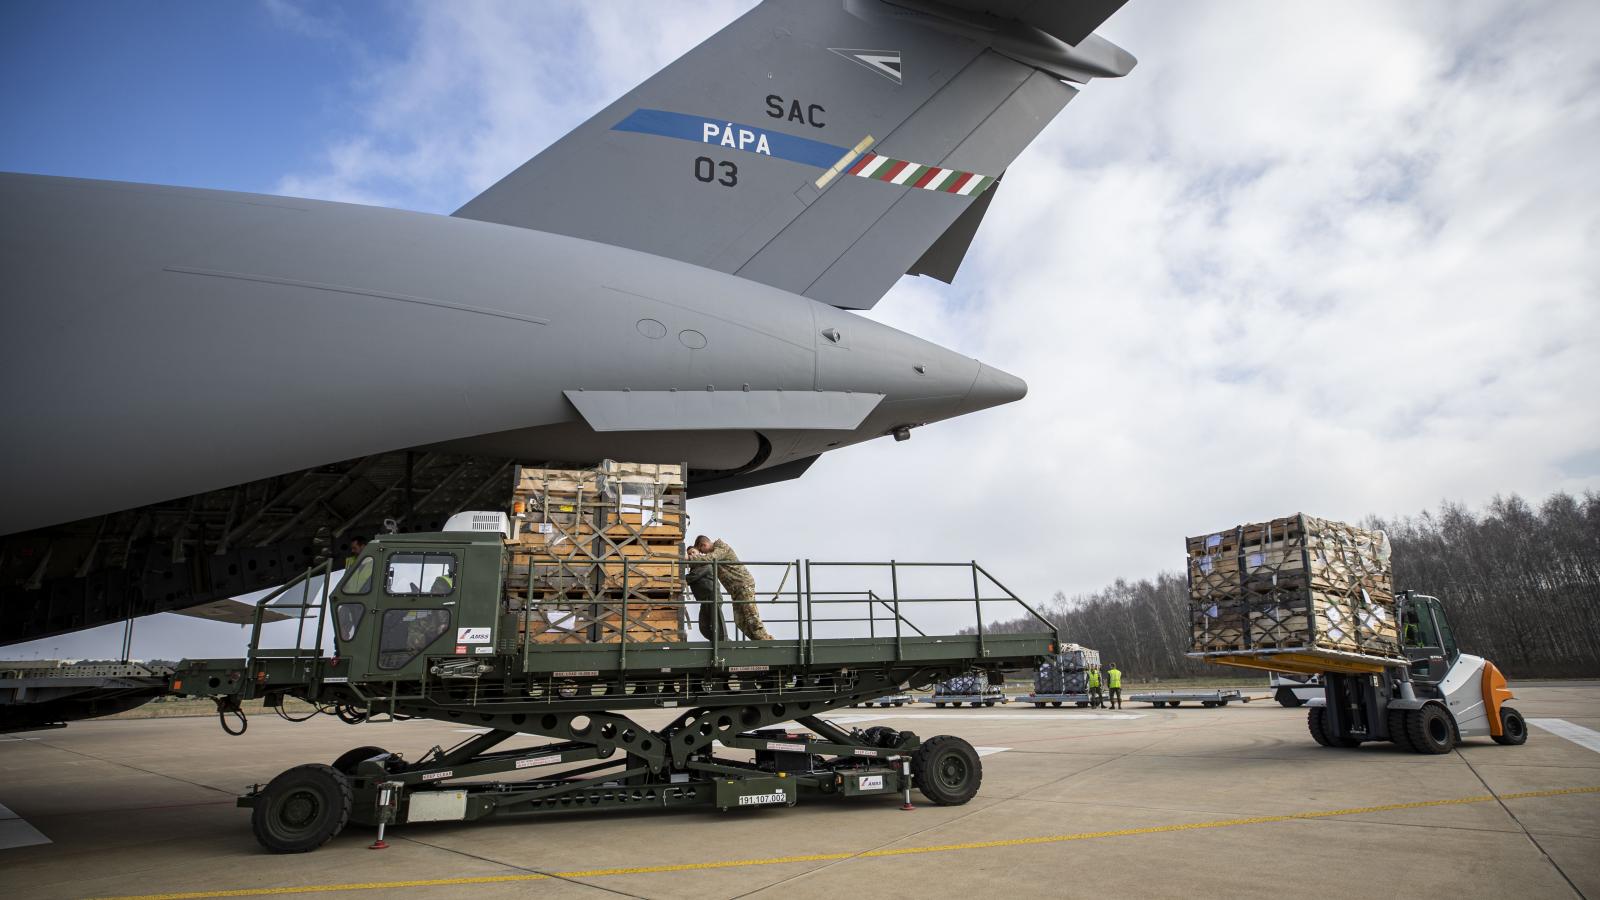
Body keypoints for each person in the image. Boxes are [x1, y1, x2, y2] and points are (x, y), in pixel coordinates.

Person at [686, 535, 772, 640]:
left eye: (702, 550)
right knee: (740, 621)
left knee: (751, 616)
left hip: (743, 585)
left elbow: (710, 558)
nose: (703, 553)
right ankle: (757, 640)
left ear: (704, 545)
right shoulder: (715, 552)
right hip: (735, 590)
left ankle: (766, 641)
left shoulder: (721, 548)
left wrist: (689, 558)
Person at [685, 551, 729, 642]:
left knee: (718, 624)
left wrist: (678, 578)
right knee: (704, 627)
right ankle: (724, 642)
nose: (691, 555)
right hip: (705, 599)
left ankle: (723, 644)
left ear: (700, 554)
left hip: (713, 596)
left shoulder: (705, 565)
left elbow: (692, 577)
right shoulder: (694, 568)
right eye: (689, 554)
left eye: (693, 552)